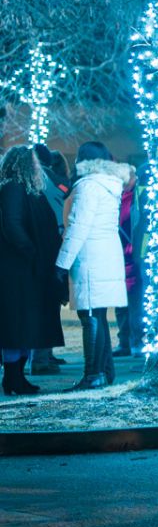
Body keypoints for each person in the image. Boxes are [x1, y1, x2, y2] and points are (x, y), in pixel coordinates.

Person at [55, 144, 134, 388]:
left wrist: (61, 264)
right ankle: (105, 372)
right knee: (96, 315)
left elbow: (78, 228)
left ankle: (93, 375)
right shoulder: (108, 184)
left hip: (90, 259)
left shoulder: (88, 186)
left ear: (83, 160)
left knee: (90, 317)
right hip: (105, 256)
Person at [0, 145, 63, 395]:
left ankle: (17, 377)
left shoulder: (23, 190)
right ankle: (13, 377)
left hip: (26, 269)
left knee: (24, 326)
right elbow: (13, 225)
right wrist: (31, 252)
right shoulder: (14, 189)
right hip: (18, 271)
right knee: (17, 326)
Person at [28, 144, 70, 376]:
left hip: (32, 249)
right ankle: (42, 356)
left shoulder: (23, 181)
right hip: (52, 246)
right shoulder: (55, 180)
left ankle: (41, 354)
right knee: (48, 302)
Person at [113, 163, 143, 356]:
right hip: (125, 254)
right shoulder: (127, 198)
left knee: (129, 300)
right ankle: (130, 341)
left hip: (125, 254)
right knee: (128, 300)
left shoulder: (126, 199)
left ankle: (130, 341)